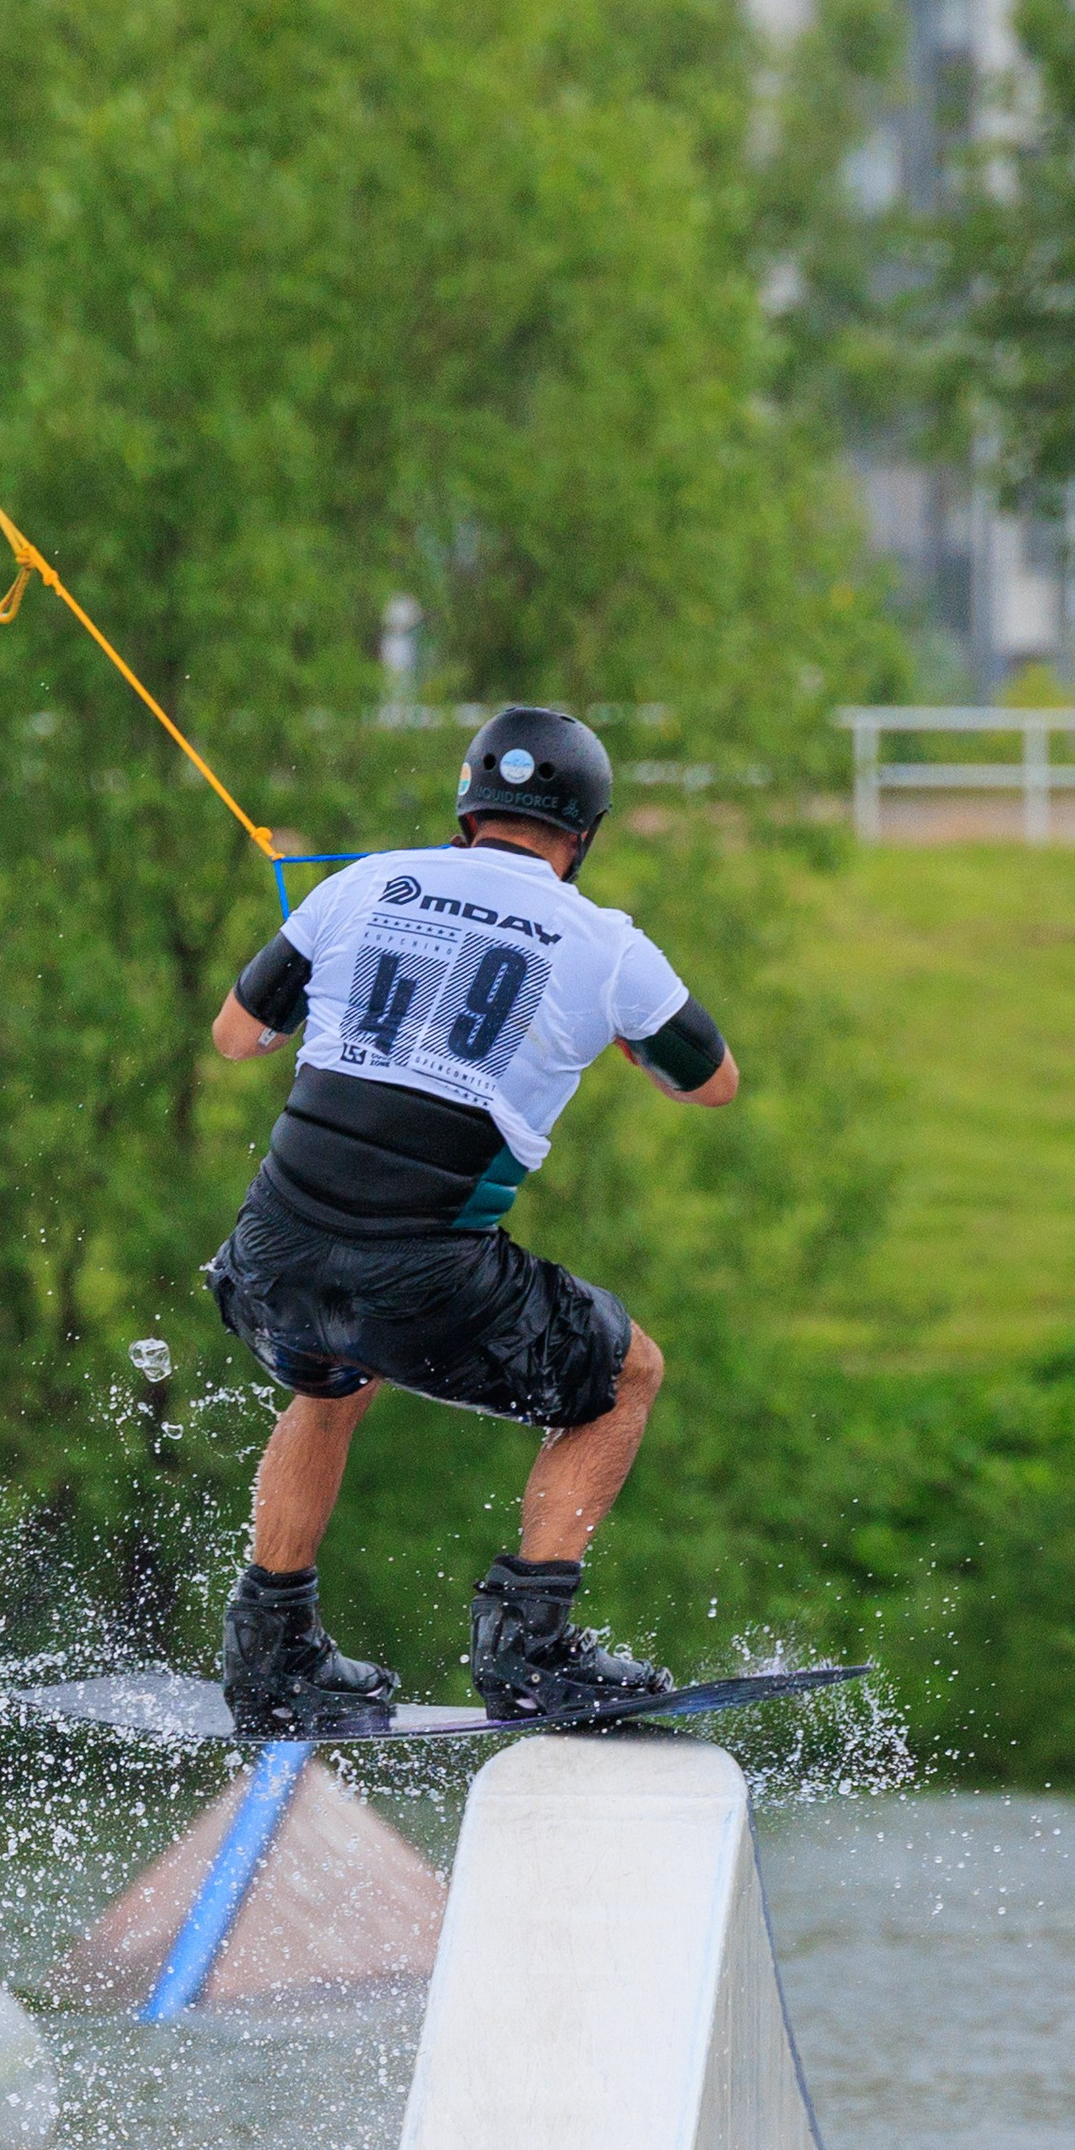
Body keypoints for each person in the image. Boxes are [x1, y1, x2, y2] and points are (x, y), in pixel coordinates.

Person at [202, 705, 739, 1734]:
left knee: (331, 1374)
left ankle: (269, 1656)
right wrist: (625, 1042)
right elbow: (711, 1084)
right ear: (581, 835)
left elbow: (236, 1037)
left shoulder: (357, 884)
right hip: (419, 1274)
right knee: (626, 1376)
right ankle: (532, 1651)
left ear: (466, 812)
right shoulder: (604, 943)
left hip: (266, 1256)